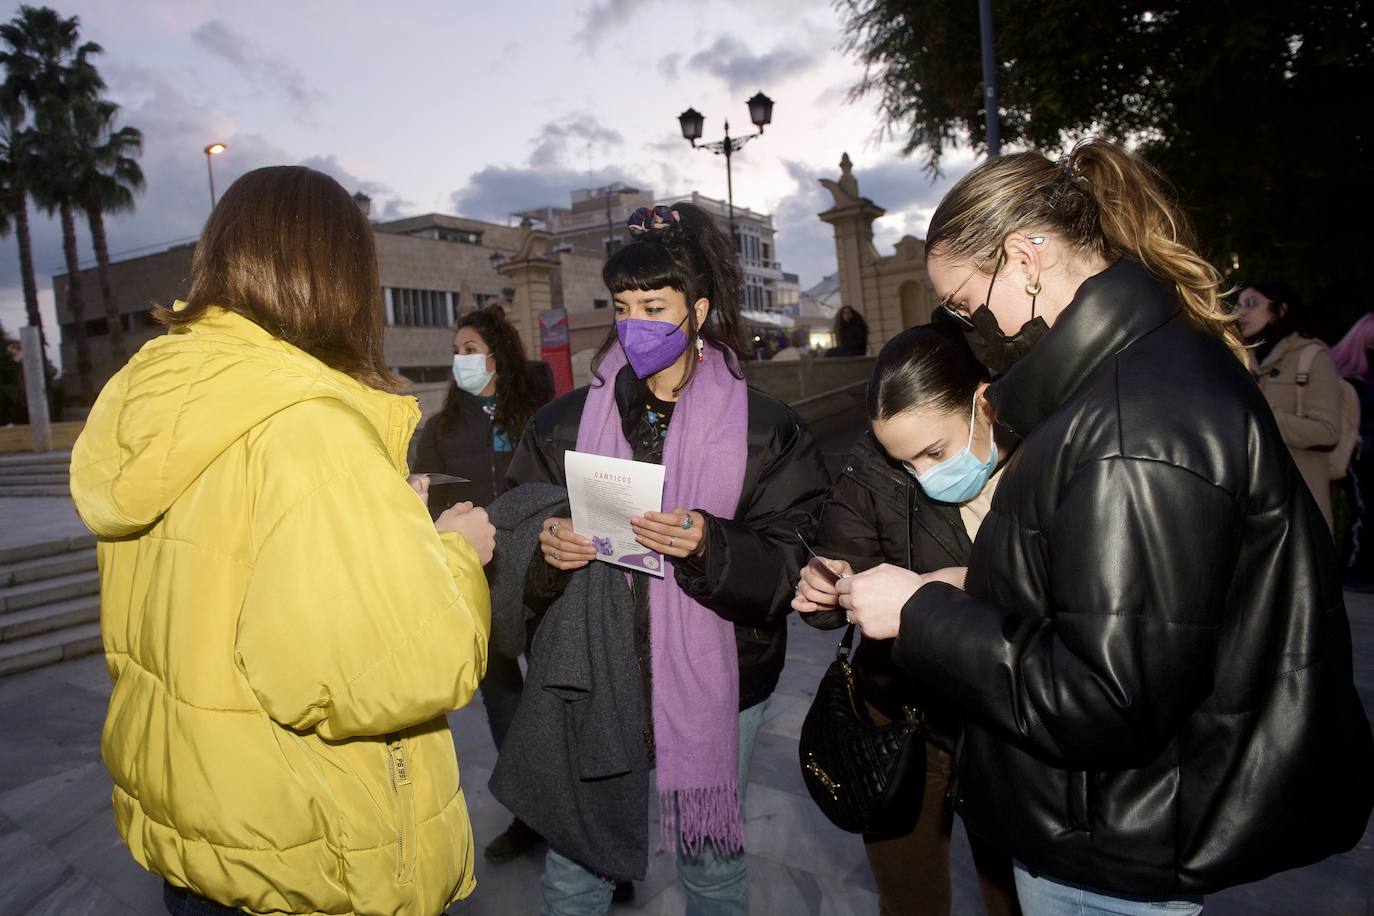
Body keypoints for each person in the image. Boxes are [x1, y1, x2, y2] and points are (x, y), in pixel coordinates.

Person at [828, 140, 1374, 916]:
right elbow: (1123, 607)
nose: (964, 327)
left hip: (1113, 842)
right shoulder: (1137, 372)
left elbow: (1105, 698)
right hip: (1113, 820)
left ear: (1024, 257)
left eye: (959, 302)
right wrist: (979, 584)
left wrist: (919, 614)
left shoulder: (1128, 422)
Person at [69, 166, 497, 916]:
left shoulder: (163, 398)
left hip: (208, 837)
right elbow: (381, 672)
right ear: (339, 278)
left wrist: (372, 525)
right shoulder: (307, 427)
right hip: (308, 853)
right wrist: (456, 555)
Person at [498, 202, 830, 915]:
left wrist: (713, 545)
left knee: (710, 869)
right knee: (574, 869)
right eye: (622, 307)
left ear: (699, 310)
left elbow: (792, 561)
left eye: (655, 305)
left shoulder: (766, 430)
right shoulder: (563, 424)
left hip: (721, 684)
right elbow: (510, 532)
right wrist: (546, 555)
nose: (636, 323)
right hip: (594, 674)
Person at [793, 322, 1021, 916]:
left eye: (935, 453)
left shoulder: (1050, 452)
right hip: (901, 715)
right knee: (908, 900)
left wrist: (954, 587)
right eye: (906, 462)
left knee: (1014, 896)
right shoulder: (873, 467)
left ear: (982, 399)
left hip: (1008, 722)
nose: (923, 475)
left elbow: (1073, 588)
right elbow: (844, 565)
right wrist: (826, 590)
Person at [411, 304, 554, 864]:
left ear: (498, 352)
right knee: (502, 704)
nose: (461, 359)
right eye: (457, 350)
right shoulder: (443, 425)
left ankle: (579, 824)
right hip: (480, 582)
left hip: (542, 574)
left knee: (557, 697)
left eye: (471, 349)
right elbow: (424, 499)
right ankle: (528, 814)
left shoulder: (536, 412)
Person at [1236, 280, 1344, 530]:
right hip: (1250, 511)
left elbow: (1327, 432)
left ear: (1281, 310)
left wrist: (1263, 419)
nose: (1241, 312)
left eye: (1251, 304)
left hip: (1300, 512)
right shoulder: (1239, 358)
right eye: (1240, 304)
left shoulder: (1313, 358)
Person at [1331, 312, 1374, 587]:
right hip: (1361, 456)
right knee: (1365, 511)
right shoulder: (1351, 380)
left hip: (1365, 451)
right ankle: (1356, 569)